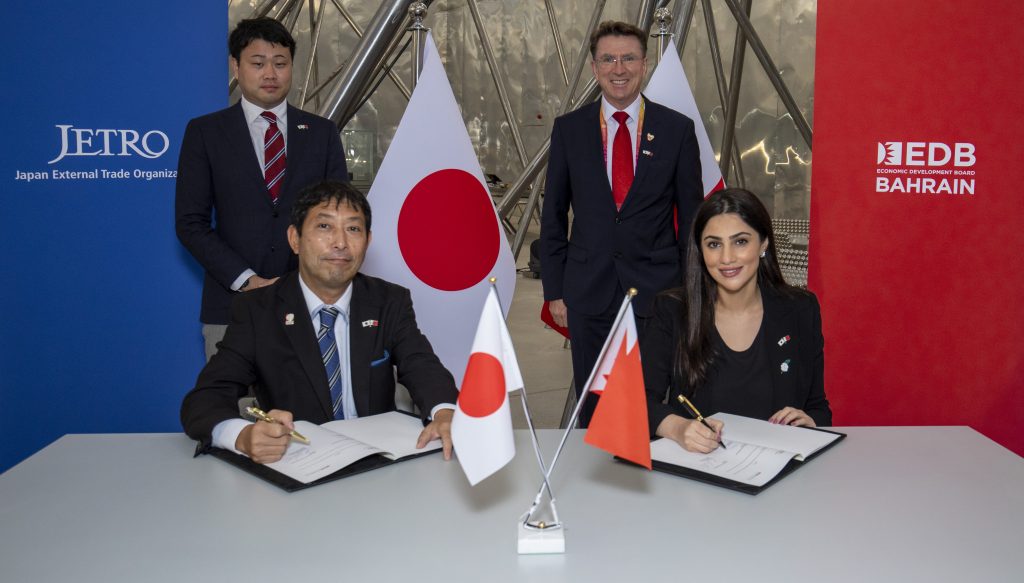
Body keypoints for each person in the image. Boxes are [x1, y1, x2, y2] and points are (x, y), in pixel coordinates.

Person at [180, 181, 457, 463]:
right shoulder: (258, 310)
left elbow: (423, 366)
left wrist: (445, 412)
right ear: (295, 239)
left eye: (353, 229)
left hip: (378, 466)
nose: (340, 243)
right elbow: (204, 400)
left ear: (368, 241)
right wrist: (241, 436)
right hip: (297, 466)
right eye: (324, 227)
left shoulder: (389, 301)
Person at [540, 20, 703, 425]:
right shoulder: (569, 130)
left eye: (628, 58)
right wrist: (555, 291)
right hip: (587, 292)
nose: (619, 68)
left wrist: (691, 291)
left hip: (657, 293)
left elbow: (694, 219)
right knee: (592, 404)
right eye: (608, 59)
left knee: (647, 403)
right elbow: (554, 216)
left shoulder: (676, 130)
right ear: (594, 68)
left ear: (644, 64)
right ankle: (592, 483)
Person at [176, 17, 349, 360]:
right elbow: (190, 223)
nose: (270, 73)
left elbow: (338, 218)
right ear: (235, 66)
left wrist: (301, 281)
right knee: (238, 412)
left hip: (310, 304)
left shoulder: (321, 133)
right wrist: (247, 280)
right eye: (257, 63)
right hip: (231, 307)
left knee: (307, 412)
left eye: (280, 63)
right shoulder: (205, 133)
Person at [641, 188, 831, 453]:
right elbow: (637, 402)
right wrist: (678, 428)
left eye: (740, 241)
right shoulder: (672, 310)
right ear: (701, 250)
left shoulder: (800, 309)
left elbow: (819, 409)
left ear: (764, 243)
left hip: (778, 469)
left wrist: (811, 422)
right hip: (699, 472)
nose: (727, 258)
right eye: (714, 244)